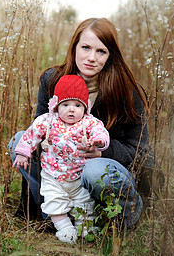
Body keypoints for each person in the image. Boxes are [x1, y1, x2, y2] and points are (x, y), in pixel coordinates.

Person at [8, 17, 159, 234]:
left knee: (95, 170)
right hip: (59, 172)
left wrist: (103, 151)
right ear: (74, 47)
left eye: (101, 51)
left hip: (98, 174)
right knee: (19, 141)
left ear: (110, 56)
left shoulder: (127, 91)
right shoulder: (52, 80)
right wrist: (50, 142)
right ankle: (53, 213)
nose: (91, 58)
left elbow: (141, 151)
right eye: (86, 47)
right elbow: (39, 127)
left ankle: (120, 219)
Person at [13, 74, 110, 243]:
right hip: (53, 175)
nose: (71, 109)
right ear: (56, 105)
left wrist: (99, 141)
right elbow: (31, 134)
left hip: (78, 176)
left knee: (84, 203)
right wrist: (23, 152)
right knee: (54, 202)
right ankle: (64, 228)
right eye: (65, 104)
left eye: (77, 105)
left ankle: (85, 227)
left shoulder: (88, 122)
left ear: (85, 107)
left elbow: (101, 132)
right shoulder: (48, 121)